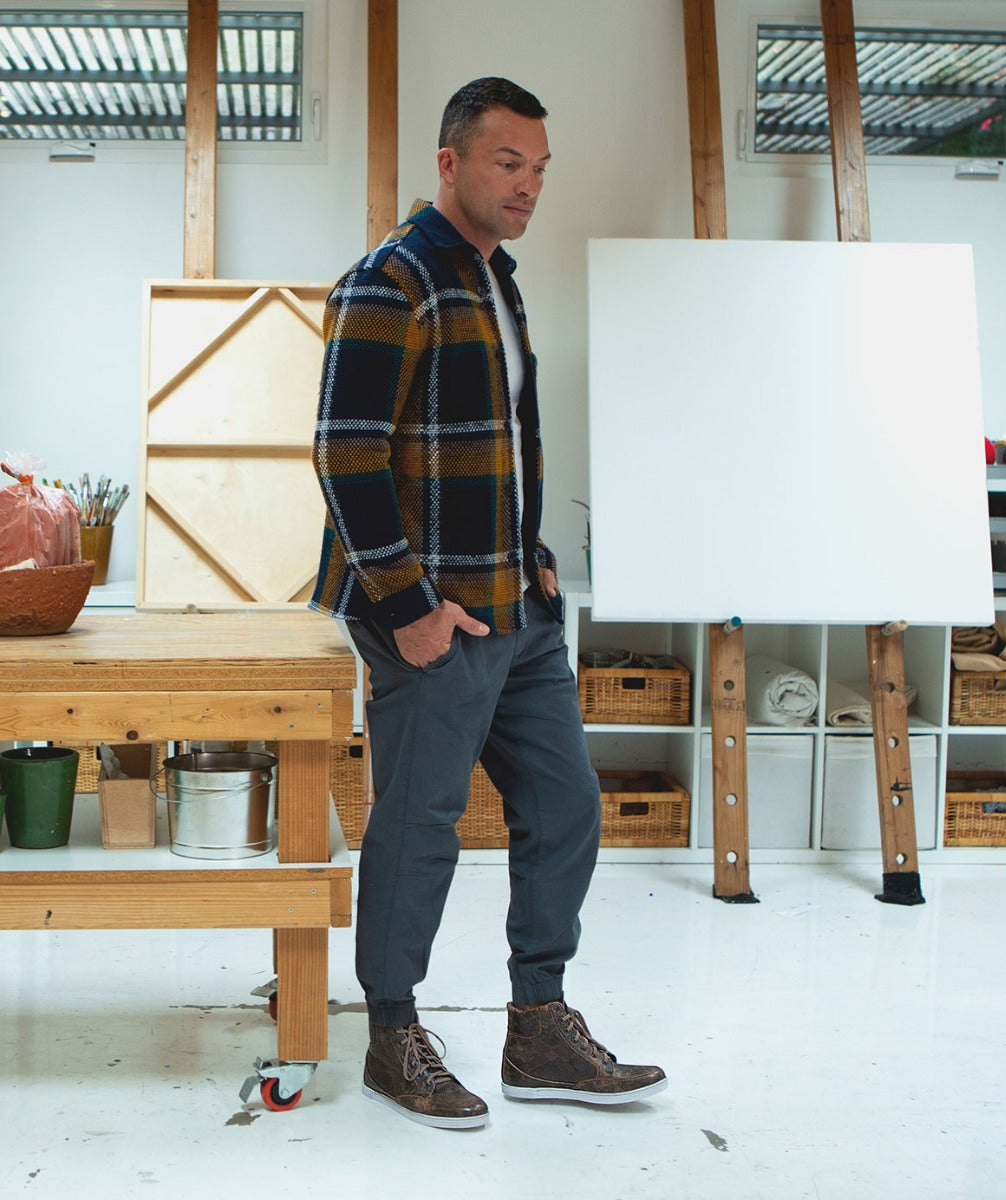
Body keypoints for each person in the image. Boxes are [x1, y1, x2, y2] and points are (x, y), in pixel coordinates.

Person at [310, 76, 666, 1130]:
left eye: (540, 168)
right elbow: (343, 453)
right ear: (449, 162)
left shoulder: (493, 278)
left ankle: (538, 1029)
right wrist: (407, 603)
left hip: (516, 609)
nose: (529, 185)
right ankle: (391, 1035)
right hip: (433, 619)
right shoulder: (393, 279)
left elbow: (497, 442)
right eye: (508, 163)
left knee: (563, 809)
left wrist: (534, 553)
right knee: (418, 829)